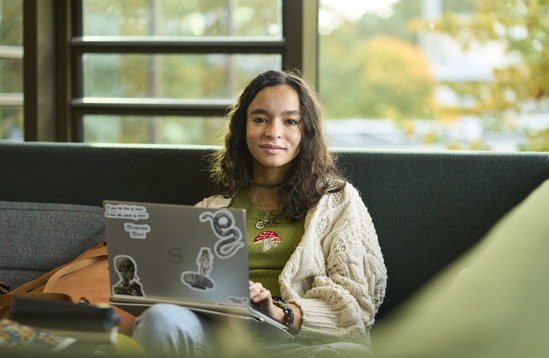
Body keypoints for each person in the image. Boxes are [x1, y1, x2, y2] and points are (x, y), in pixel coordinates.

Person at [131, 69, 387, 357]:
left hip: (293, 343)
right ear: (243, 128)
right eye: (260, 119)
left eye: (290, 121)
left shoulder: (337, 201)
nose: (273, 132)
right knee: (161, 320)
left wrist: (278, 312)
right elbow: (177, 289)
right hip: (217, 340)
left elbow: (356, 307)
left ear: (307, 131)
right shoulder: (210, 208)